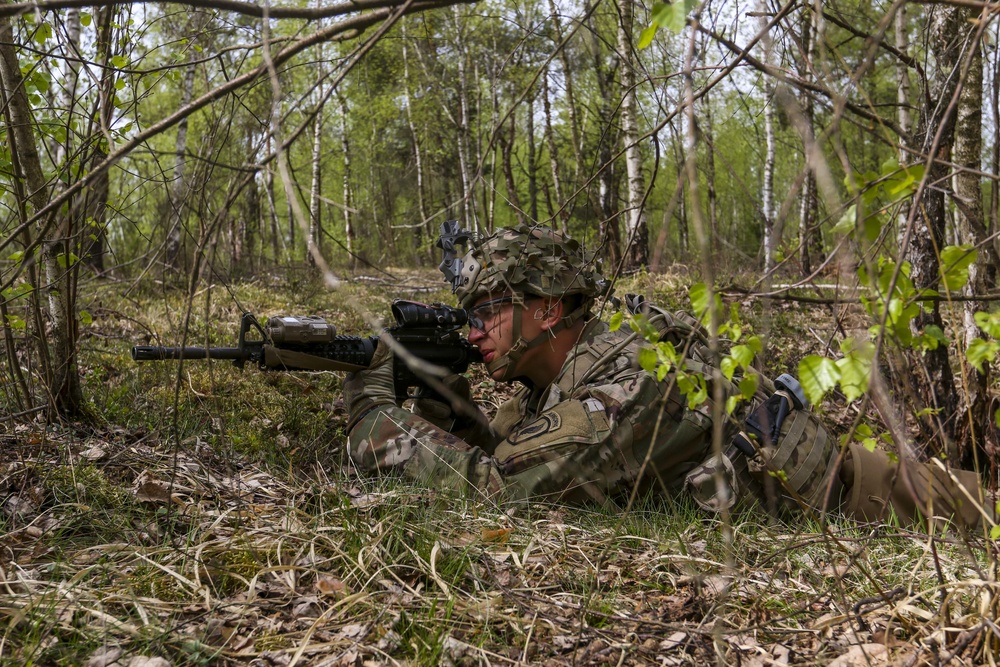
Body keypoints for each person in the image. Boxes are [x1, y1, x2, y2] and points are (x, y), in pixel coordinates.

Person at [343, 224, 990, 529]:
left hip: (870, 501)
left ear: (544, 307)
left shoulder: (623, 377)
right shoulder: (567, 367)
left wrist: (374, 409)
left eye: (486, 312)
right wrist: (435, 389)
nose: (474, 330)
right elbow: (507, 449)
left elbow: (502, 489)